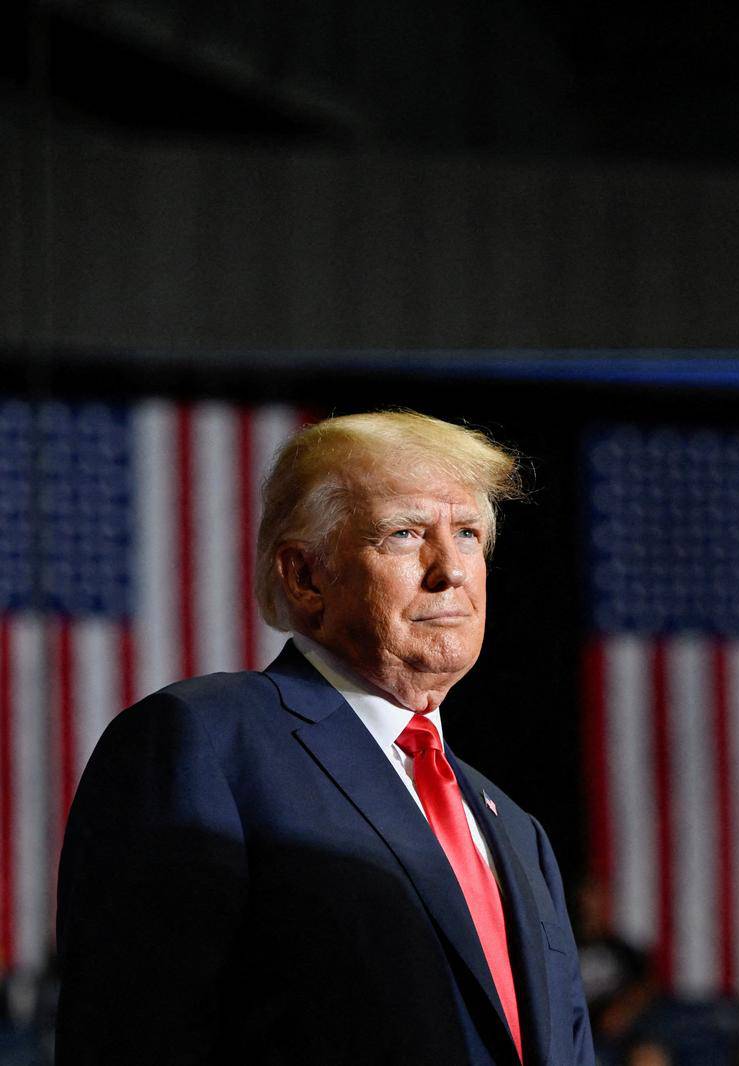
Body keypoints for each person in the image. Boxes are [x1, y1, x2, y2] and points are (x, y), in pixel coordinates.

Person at [56, 411, 595, 1066]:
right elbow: (131, 1037)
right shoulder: (206, 744)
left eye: (468, 534)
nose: (451, 569)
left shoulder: (516, 831)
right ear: (305, 577)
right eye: (403, 534)